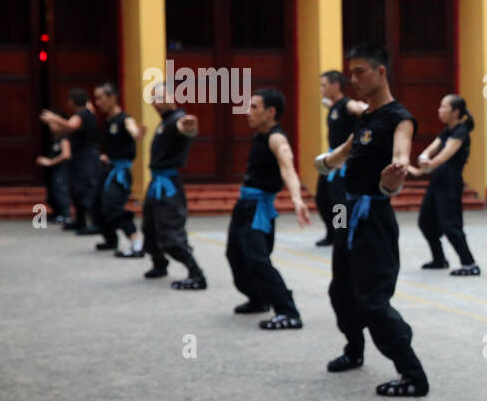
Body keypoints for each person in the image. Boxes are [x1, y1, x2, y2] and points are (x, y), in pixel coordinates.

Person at [315, 43, 430, 397]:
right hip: (345, 212)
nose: (353, 79)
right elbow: (342, 154)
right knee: (340, 289)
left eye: (359, 72)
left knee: (373, 298)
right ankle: (354, 349)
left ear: (381, 72)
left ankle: (412, 374)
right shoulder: (365, 117)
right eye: (350, 73)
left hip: (374, 215)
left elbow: (399, 155)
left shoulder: (400, 118)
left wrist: (393, 177)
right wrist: (323, 163)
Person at [226, 89, 309, 329]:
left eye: (254, 107)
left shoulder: (276, 139)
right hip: (245, 205)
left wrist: (296, 199)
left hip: (258, 209)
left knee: (257, 259)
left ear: (271, 112)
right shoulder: (259, 136)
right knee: (235, 255)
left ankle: (288, 312)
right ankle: (259, 298)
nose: (248, 112)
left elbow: (288, 169)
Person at [142, 81, 208, 290]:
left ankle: (196, 274)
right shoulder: (164, 122)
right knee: (149, 228)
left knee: (170, 232)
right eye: (153, 99)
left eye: (160, 98)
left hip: (168, 186)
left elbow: (186, 126)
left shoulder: (176, 120)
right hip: (156, 183)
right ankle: (159, 264)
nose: (156, 103)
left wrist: (190, 126)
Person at [412, 94, 479, 275]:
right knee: (425, 221)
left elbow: (442, 157)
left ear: (455, 112)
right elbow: (430, 150)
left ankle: (470, 264)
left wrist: (427, 164)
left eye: (444, 107)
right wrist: (424, 158)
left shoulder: (460, 133)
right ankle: (439, 259)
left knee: (451, 225)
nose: (439, 110)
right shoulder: (447, 131)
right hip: (437, 180)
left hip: (450, 182)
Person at [40, 89, 103, 233]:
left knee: (87, 190)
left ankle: (95, 223)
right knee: (77, 190)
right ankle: (80, 221)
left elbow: (70, 126)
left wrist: (53, 118)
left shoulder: (82, 115)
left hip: (86, 158)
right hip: (81, 158)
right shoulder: (87, 113)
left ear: (72, 102)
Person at [93, 82, 145, 257]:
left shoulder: (125, 119)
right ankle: (110, 239)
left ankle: (136, 242)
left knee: (113, 206)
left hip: (121, 173)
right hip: (109, 168)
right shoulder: (108, 121)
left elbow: (133, 130)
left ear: (112, 97)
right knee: (95, 204)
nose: (97, 102)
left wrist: (137, 133)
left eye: (100, 98)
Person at [315, 70, 356, 248]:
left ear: (336, 85)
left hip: (343, 163)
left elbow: (359, 108)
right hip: (330, 160)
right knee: (322, 198)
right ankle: (332, 233)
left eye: (324, 85)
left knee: (340, 203)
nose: (321, 89)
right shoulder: (334, 106)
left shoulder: (348, 105)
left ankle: (342, 234)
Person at [36, 125, 72, 225]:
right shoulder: (54, 138)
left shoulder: (64, 137)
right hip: (54, 170)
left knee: (61, 191)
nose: (52, 127)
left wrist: (50, 162)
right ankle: (58, 214)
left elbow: (66, 154)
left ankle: (66, 215)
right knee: (54, 192)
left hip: (61, 169)